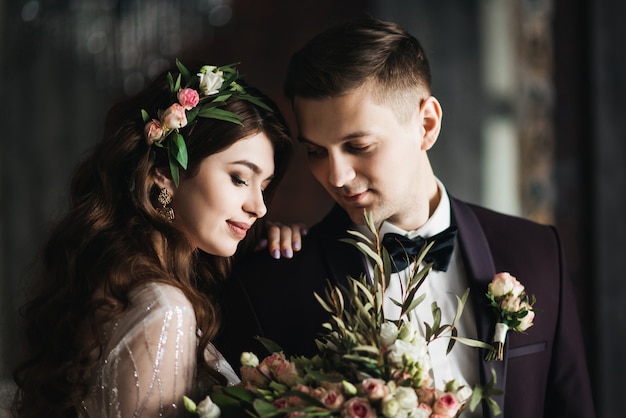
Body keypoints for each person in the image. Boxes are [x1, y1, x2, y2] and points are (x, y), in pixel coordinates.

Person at [216, 18, 596, 418]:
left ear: (426, 125)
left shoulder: (538, 252)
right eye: (316, 151)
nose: (336, 176)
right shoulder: (274, 281)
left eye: (358, 145)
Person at [11, 61, 293, 417]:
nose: (260, 207)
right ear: (163, 174)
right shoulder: (165, 310)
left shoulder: (119, 282)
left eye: (264, 187)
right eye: (240, 178)